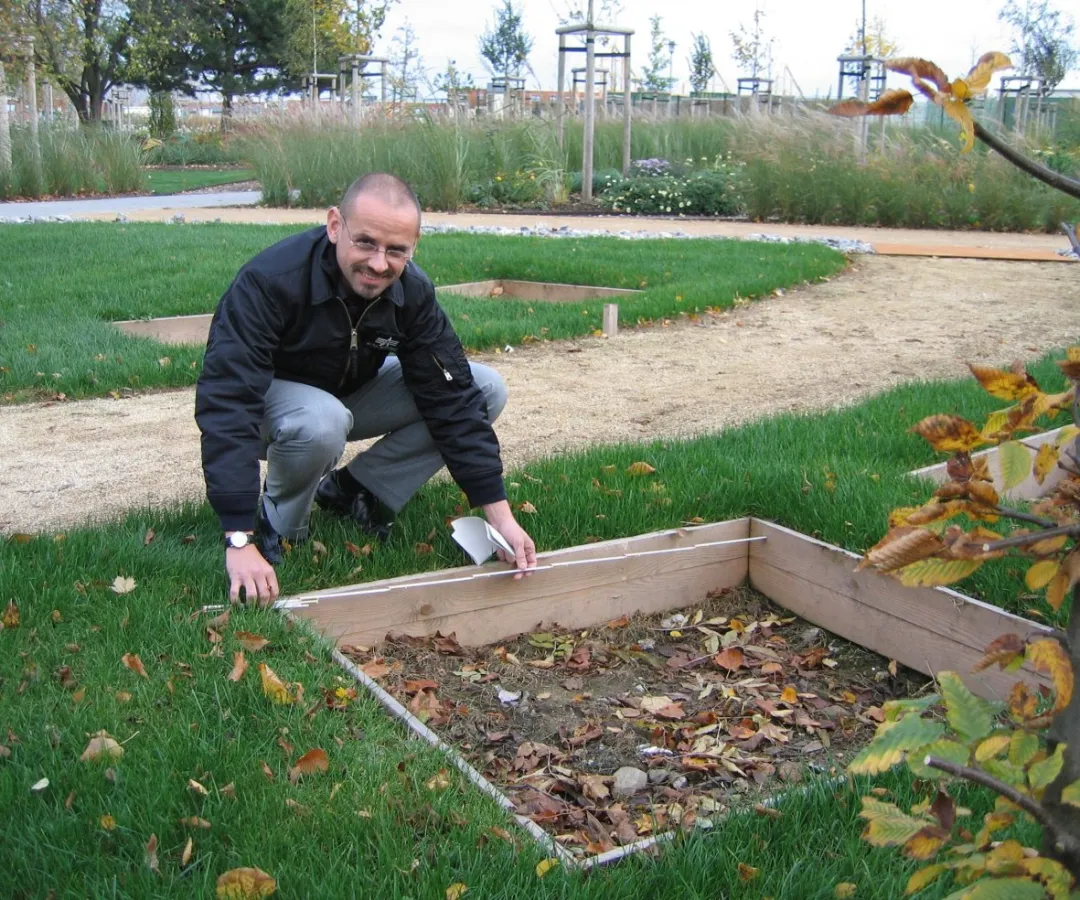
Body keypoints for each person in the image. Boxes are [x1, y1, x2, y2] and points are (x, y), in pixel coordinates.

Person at [195, 172, 537, 605]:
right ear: (335, 225)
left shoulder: (411, 294)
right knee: (322, 419)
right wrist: (238, 540)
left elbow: (452, 398)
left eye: (396, 250)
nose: (379, 264)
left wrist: (499, 516)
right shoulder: (270, 281)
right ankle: (278, 528)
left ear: (414, 245)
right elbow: (228, 401)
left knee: (484, 388)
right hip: (274, 409)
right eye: (366, 243)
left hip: (344, 397)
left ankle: (358, 489)